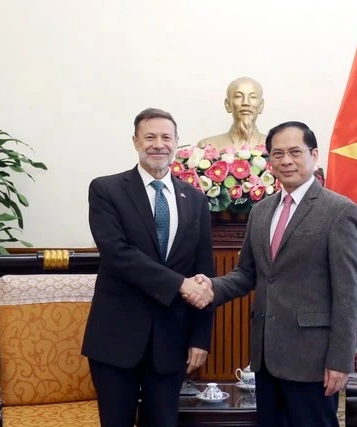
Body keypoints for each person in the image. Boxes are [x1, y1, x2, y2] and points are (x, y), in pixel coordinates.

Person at [188, 121, 357, 427]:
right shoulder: (261, 211)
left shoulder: (339, 211)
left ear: (314, 155)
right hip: (266, 358)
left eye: (295, 152)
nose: (286, 161)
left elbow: (348, 294)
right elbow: (247, 274)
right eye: (278, 154)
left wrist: (340, 361)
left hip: (313, 361)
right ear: (269, 160)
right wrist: (211, 287)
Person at [82, 108, 216, 427]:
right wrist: (179, 285)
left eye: (166, 137)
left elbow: (204, 273)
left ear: (177, 143)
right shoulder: (106, 190)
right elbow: (118, 254)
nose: (158, 144)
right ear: (135, 141)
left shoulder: (195, 200)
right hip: (115, 338)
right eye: (150, 137)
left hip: (171, 341)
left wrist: (200, 338)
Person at [197, 76, 267, 151]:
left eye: (253, 97)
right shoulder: (207, 146)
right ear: (228, 105)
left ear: (261, 105)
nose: (246, 103)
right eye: (238, 96)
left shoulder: (274, 145)